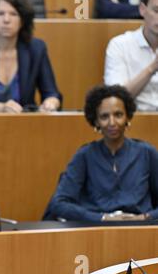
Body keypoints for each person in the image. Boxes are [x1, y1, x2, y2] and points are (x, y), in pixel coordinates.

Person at [43, 85, 158, 222]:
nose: (112, 122)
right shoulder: (85, 155)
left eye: (118, 115)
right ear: (96, 121)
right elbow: (58, 203)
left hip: (141, 230)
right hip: (97, 231)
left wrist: (145, 217)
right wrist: (102, 218)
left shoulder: (146, 153)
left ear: (128, 117)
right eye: (104, 116)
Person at [104, 0, 158, 111]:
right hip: (135, 120)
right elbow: (116, 98)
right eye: (157, 11)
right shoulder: (120, 45)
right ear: (142, 10)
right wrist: (152, 68)